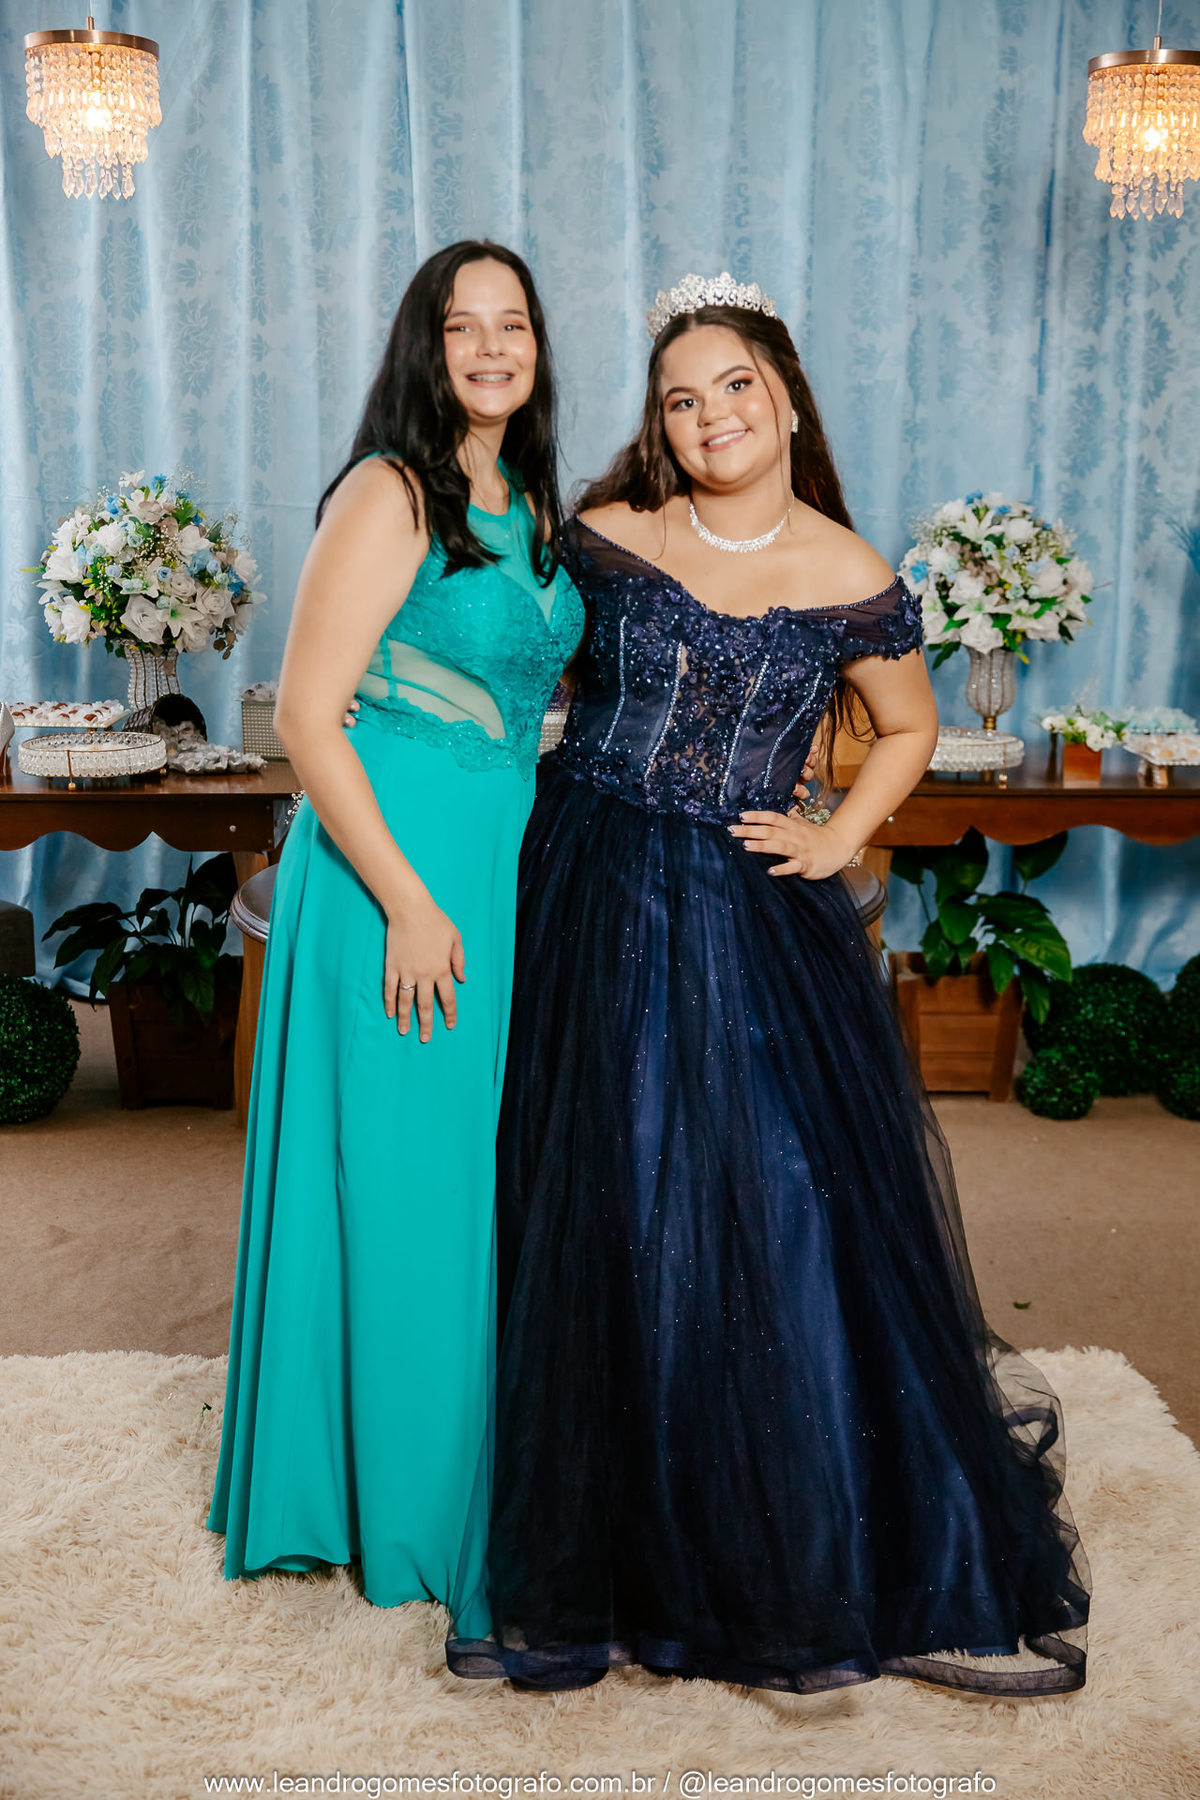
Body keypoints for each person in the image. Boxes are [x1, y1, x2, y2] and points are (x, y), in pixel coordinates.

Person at [446, 274, 1090, 1695]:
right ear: (660, 426)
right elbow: (506, 645)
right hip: (581, 876)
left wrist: (840, 835)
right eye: (680, 399)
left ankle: (807, 1539)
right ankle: (590, 1534)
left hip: (741, 911)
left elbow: (907, 725)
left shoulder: (850, 571)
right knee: (593, 1186)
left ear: (785, 397)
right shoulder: (608, 532)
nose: (710, 415)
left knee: (767, 1199)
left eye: (734, 385)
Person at [207, 242, 583, 1612]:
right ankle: (414, 1519)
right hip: (394, 876)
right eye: (461, 325)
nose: (490, 348)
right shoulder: (391, 490)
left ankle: (435, 1465)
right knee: (412, 1183)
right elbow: (310, 719)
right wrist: (410, 901)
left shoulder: (525, 498)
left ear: (539, 347)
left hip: (490, 860)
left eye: (512, 324)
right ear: (423, 346)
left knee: (461, 1175)